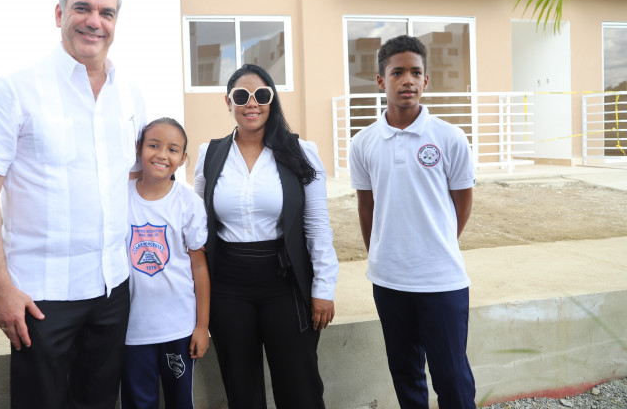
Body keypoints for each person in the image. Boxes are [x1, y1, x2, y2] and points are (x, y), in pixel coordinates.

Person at [0, 0, 146, 409]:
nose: (94, 21)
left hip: (112, 290)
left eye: (106, 12)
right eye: (82, 8)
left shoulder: (130, 95)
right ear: (60, 14)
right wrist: (0, 290)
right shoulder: (15, 90)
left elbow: (132, 179)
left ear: (115, 23)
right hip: (40, 297)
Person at [193, 64, 339, 409]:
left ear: (272, 100)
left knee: (300, 387)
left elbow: (317, 225)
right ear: (228, 101)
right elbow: (196, 227)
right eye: (241, 96)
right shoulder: (209, 154)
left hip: (285, 283)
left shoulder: (301, 151)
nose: (252, 103)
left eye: (261, 95)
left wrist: (323, 288)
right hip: (228, 286)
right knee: (241, 389)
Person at [349, 35, 476, 409]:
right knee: (406, 375)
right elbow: (366, 207)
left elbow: (462, 202)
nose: (407, 80)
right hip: (389, 281)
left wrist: (438, 243)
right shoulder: (363, 143)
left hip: (442, 280)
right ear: (381, 80)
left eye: (416, 72)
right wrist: (381, 254)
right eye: (397, 72)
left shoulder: (450, 138)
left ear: (426, 80)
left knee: (452, 377)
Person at [121, 117, 210, 409]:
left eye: (173, 149)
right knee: (138, 403)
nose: (162, 155)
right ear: (139, 148)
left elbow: (199, 267)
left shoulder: (188, 202)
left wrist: (202, 326)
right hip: (132, 331)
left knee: (180, 402)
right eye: (154, 145)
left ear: (183, 159)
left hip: (179, 328)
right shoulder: (120, 198)